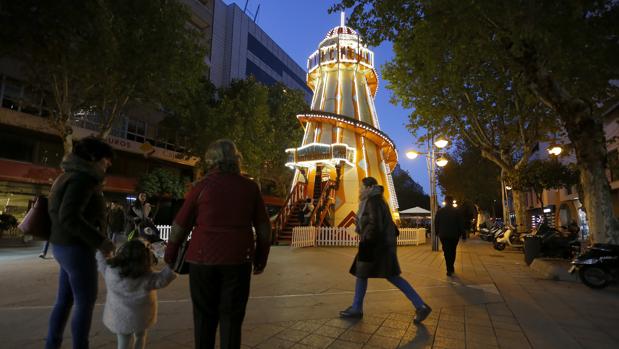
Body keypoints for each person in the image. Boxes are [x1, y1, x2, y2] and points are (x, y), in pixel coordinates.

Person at [164, 139, 271, 349]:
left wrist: (170, 254)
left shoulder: (200, 187)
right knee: (232, 319)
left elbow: (180, 225)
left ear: (210, 160)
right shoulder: (250, 188)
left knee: (204, 317)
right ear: (236, 159)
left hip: (202, 260)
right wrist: (261, 257)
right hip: (238, 259)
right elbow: (264, 228)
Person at [46, 136, 116, 349]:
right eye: (106, 162)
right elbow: (70, 217)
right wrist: (101, 241)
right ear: (94, 158)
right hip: (76, 248)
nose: (107, 167)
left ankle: (52, 344)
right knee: (84, 303)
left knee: (64, 301)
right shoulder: (82, 180)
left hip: (63, 245)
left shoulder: (67, 176)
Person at [339, 177, 432, 324]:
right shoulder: (379, 200)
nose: (360, 190)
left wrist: (366, 238)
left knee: (368, 274)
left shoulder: (372, 201)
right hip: (382, 245)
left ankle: (357, 308)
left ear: (369, 187)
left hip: (374, 245)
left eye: (362, 187)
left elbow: (375, 224)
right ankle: (420, 305)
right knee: (379, 275)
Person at [97, 240, 177, 349]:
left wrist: (104, 249)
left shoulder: (111, 271)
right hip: (140, 317)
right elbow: (162, 279)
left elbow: (101, 260)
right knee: (140, 336)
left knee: (123, 342)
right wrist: (172, 266)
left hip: (119, 317)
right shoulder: (146, 277)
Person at [435, 195, 466, 277]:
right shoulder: (457, 211)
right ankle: (451, 267)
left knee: (446, 251)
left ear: (445, 201)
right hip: (454, 235)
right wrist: (463, 234)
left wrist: (436, 232)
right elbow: (461, 224)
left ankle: (449, 268)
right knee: (452, 251)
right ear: (452, 202)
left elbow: (436, 223)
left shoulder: (440, 211)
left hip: (443, 235)